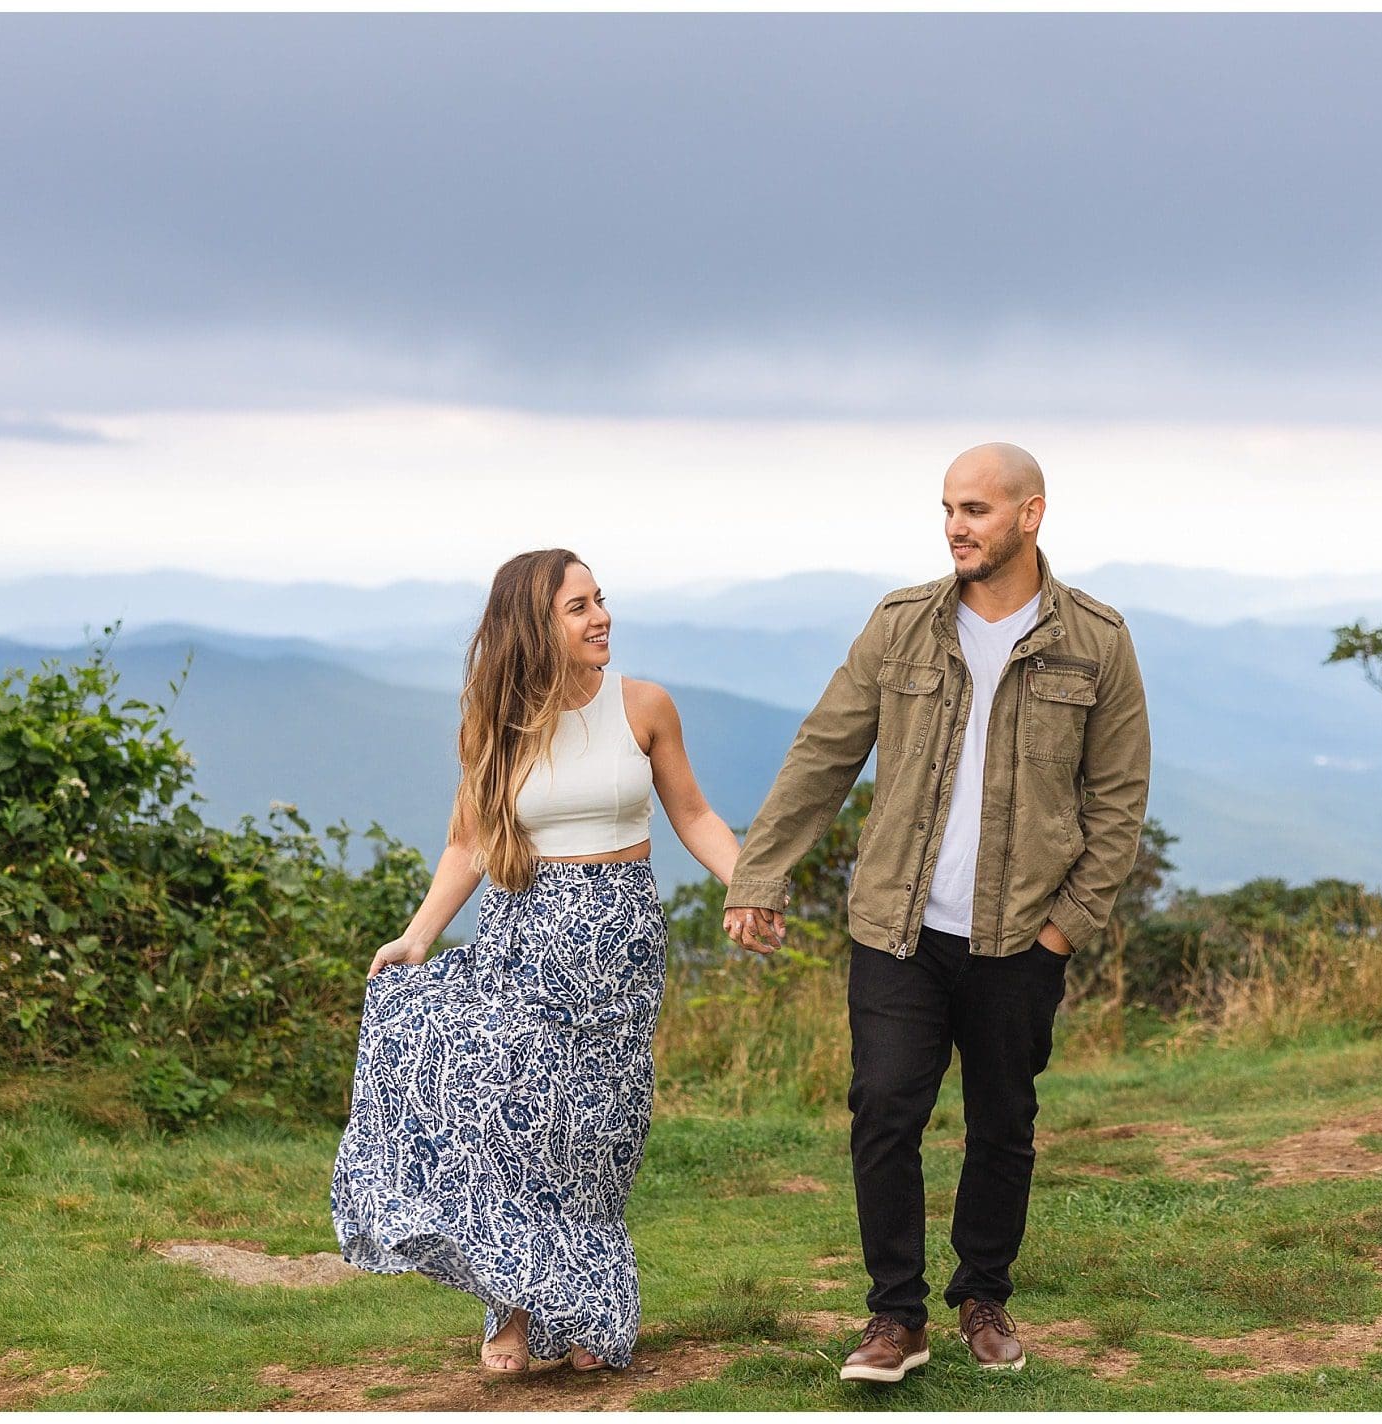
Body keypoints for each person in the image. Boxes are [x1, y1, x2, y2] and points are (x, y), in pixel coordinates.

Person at [721, 442, 1152, 1383]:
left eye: (977, 510)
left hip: (1022, 936)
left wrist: (1064, 928)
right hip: (897, 926)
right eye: (948, 509)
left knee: (1004, 1122)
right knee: (883, 1108)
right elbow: (823, 754)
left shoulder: (1098, 641)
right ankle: (895, 1319)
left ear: (1029, 515)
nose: (956, 526)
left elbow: (1119, 803)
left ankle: (983, 1295)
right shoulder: (901, 624)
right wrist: (760, 873)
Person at [331, 548, 742, 1376]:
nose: (601, 619)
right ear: (535, 626)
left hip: (621, 944)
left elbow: (692, 813)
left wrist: (749, 886)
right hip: (525, 937)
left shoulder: (643, 705)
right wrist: (416, 937)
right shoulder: (497, 724)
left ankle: (589, 1305)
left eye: (601, 600)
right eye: (579, 607)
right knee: (517, 1127)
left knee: (599, 1134)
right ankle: (513, 1310)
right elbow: (467, 843)